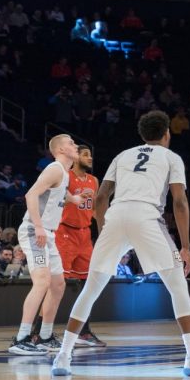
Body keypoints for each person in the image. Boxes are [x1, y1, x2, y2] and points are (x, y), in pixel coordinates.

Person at [52, 111, 190, 377]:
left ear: (142, 135)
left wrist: (105, 229)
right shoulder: (172, 157)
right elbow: (180, 202)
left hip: (116, 216)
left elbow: (102, 196)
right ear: (166, 134)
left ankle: (62, 357)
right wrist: (185, 247)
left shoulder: (122, 155)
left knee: (90, 290)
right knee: (177, 285)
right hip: (147, 217)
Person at [9, 135, 87, 355]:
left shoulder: (64, 173)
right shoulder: (54, 168)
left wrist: (74, 200)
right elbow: (31, 194)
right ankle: (21, 338)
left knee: (58, 285)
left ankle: (44, 336)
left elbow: (58, 191)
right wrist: (39, 226)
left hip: (48, 234)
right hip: (36, 232)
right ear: (61, 149)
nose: (76, 145)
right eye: (71, 143)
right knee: (42, 282)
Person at [54, 144, 105, 347]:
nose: (90, 158)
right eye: (85, 155)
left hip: (84, 234)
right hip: (65, 231)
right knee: (58, 283)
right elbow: (55, 200)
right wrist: (73, 200)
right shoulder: (65, 176)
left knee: (89, 283)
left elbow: (94, 210)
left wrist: (103, 229)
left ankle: (84, 331)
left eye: (91, 155)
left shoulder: (94, 180)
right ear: (76, 158)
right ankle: (40, 331)